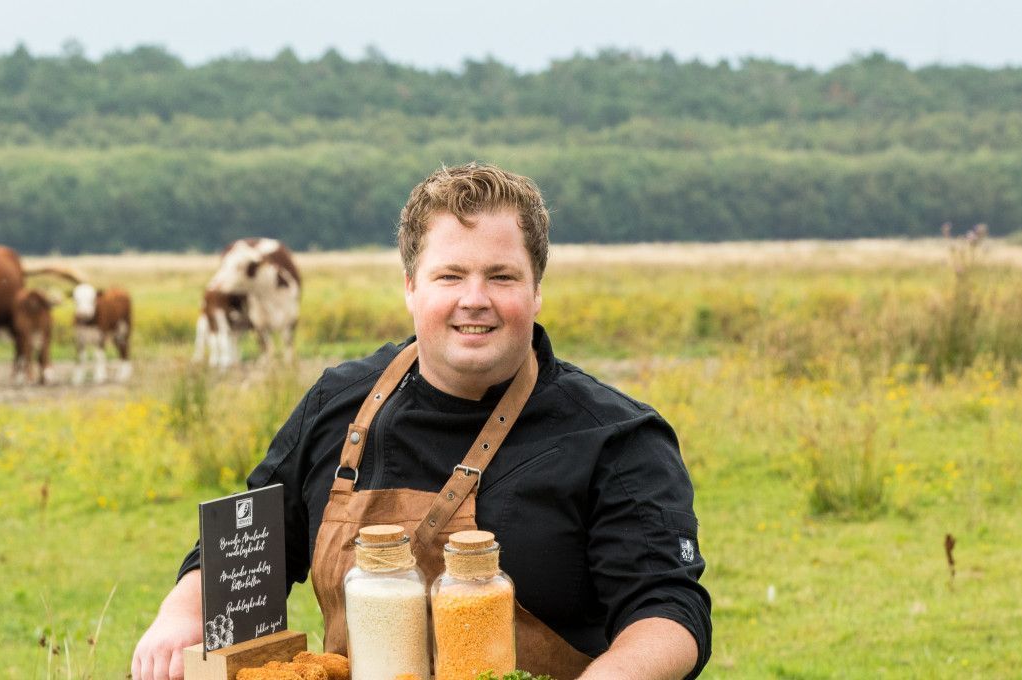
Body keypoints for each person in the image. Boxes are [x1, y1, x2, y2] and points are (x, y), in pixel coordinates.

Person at [131, 163, 710, 680]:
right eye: (449, 275)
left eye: (502, 277)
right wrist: (182, 613)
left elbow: (669, 614)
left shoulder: (616, 437)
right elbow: (245, 544)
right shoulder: (340, 402)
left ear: (536, 291)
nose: (474, 298)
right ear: (411, 287)